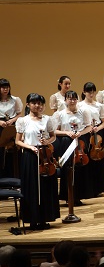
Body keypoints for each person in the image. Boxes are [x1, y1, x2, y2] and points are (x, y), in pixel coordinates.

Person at [14, 93, 59, 230]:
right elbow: (18, 141)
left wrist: (47, 141)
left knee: (46, 186)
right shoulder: (23, 121)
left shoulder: (47, 119)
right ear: (28, 105)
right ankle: (32, 218)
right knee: (31, 187)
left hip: (45, 154)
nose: (37, 105)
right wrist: (30, 147)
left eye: (39, 103)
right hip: (30, 156)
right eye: (34, 103)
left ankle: (45, 218)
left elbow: (53, 137)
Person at [53, 90, 93, 204]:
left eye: (74, 99)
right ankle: (68, 197)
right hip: (66, 142)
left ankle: (79, 196)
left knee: (80, 168)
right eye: (70, 99)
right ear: (65, 100)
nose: (72, 101)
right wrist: (66, 133)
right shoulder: (59, 114)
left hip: (80, 141)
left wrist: (80, 132)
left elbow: (89, 127)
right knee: (68, 168)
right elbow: (55, 131)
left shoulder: (83, 112)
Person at [78, 82, 104, 194]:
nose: (91, 94)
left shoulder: (99, 106)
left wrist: (97, 128)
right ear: (84, 92)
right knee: (87, 159)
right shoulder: (80, 105)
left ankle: (99, 188)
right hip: (85, 133)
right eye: (88, 91)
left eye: (93, 91)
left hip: (97, 133)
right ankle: (89, 188)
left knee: (98, 159)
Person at [0, 79, 23, 177]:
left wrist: (12, 121)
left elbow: (19, 114)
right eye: (3, 87)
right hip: (0, 126)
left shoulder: (15, 99)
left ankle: (14, 175)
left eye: (7, 87)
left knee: (14, 150)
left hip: (12, 125)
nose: (6, 89)